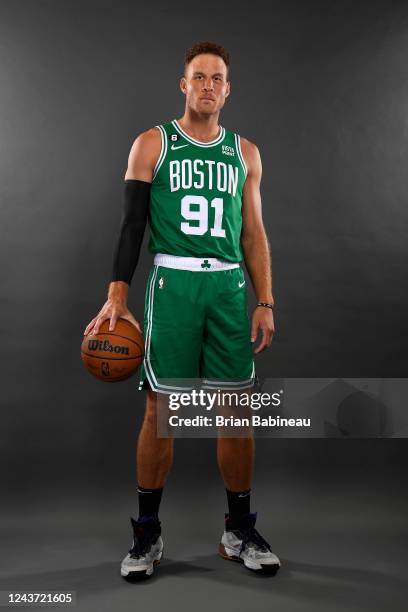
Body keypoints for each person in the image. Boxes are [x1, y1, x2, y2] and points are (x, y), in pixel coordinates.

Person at [84, 41, 280, 579]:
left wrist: (264, 300)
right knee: (160, 413)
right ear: (184, 83)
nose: (209, 86)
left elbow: (254, 233)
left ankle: (237, 529)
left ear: (228, 89)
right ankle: (147, 533)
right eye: (200, 77)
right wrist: (117, 292)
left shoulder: (246, 153)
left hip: (228, 288)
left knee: (236, 413)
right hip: (172, 286)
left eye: (218, 78)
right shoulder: (154, 144)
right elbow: (132, 225)